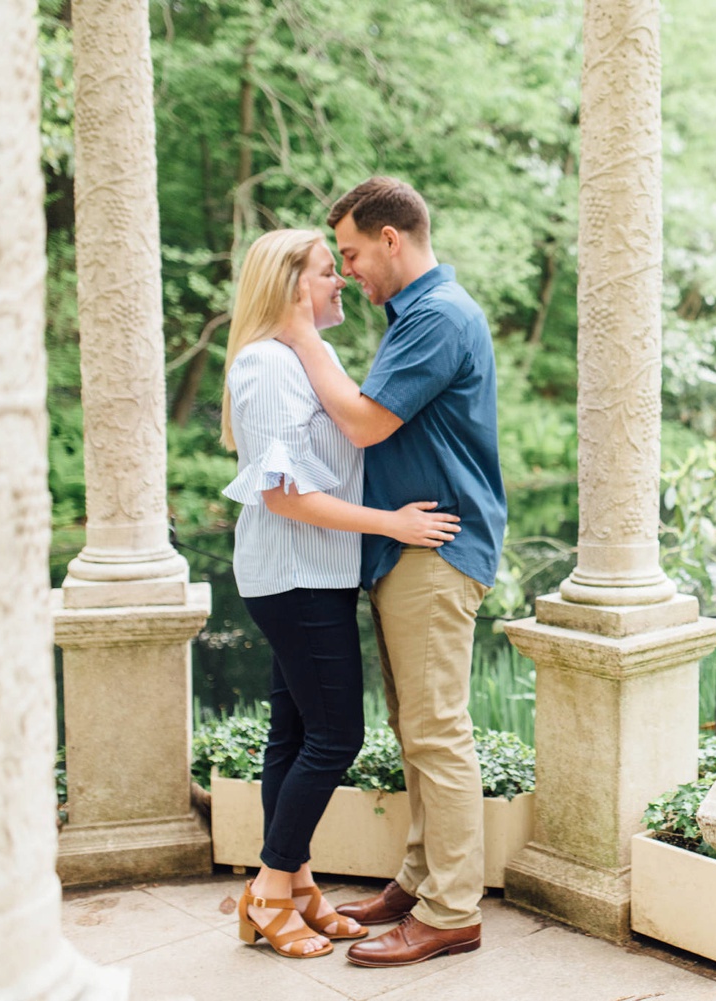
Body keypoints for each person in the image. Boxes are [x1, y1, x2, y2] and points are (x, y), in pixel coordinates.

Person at [277, 177, 507, 968]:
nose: (347, 272)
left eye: (350, 253)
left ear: (392, 239)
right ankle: (418, 878)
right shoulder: (415, 315)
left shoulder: (437, 316)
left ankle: (451, 910)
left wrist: (301, 331)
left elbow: (368, 422)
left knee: (437, 731)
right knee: (418, 727)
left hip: (434, 548)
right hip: (408, 546)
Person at [221, 228, 461, 959]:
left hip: (315, 573)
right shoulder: (265, 365)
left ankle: (297, 888)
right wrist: (391, 523)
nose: (341, 281)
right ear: (291, 285)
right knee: (336, 736)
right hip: (293, 574)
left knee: (293, 736)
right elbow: (286, 497)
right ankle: (266, 891)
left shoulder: (298, 358)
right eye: (328, 271)